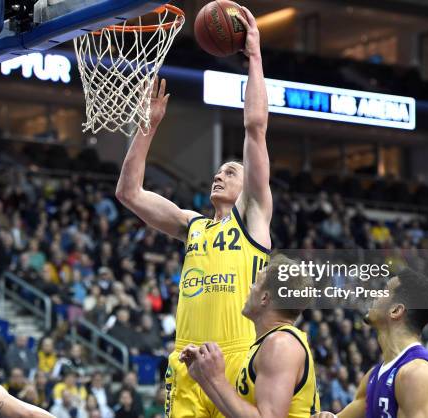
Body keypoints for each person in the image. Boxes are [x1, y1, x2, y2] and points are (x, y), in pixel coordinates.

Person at [115, 6, 272, 418]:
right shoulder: (193, 225)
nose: (219, 175)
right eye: (218, 171)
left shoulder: (253, 216)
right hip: (185, 362)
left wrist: (253, 57)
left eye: (231, 171)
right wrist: (147, 127)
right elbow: (129, 192)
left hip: (235, 358)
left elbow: (255, 128)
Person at [180, 255, 320, 417]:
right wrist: (204, 377)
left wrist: (217, 378)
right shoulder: (272, 342)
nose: (250, 287)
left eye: (256, 283)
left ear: (264, 298)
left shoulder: (280, 344)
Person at [313, 268, 428, 418]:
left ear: (396, 310)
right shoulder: (374, 375)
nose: (375, 294)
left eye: (384, 291)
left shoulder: (417, 373)